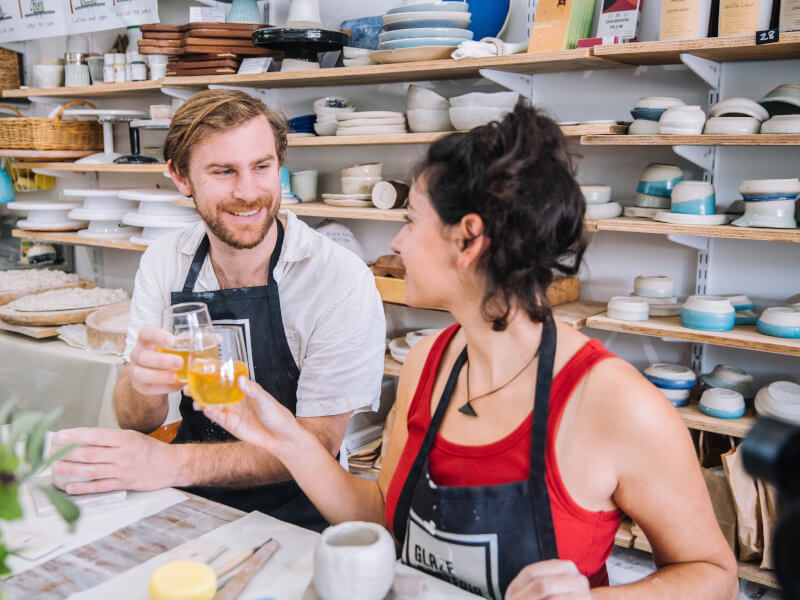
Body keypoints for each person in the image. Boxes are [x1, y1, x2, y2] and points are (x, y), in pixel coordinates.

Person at [196, 103, 739, 599]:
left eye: (411, 221)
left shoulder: (615, 403)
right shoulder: (427, 364)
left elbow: (713, 574)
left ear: (469, 238)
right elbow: (385, 517)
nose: (396, 243)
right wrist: (285, 437)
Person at [51, 89, 386, 532]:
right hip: (182, 505)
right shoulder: (164, 261)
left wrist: (168, 463)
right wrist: (142, 381)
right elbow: (137, 419)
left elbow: (315, 445)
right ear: (181, 177)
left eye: (262, 167)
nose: (249, 193)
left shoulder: (337, 279)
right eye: (224, 171)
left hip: (299, 521)